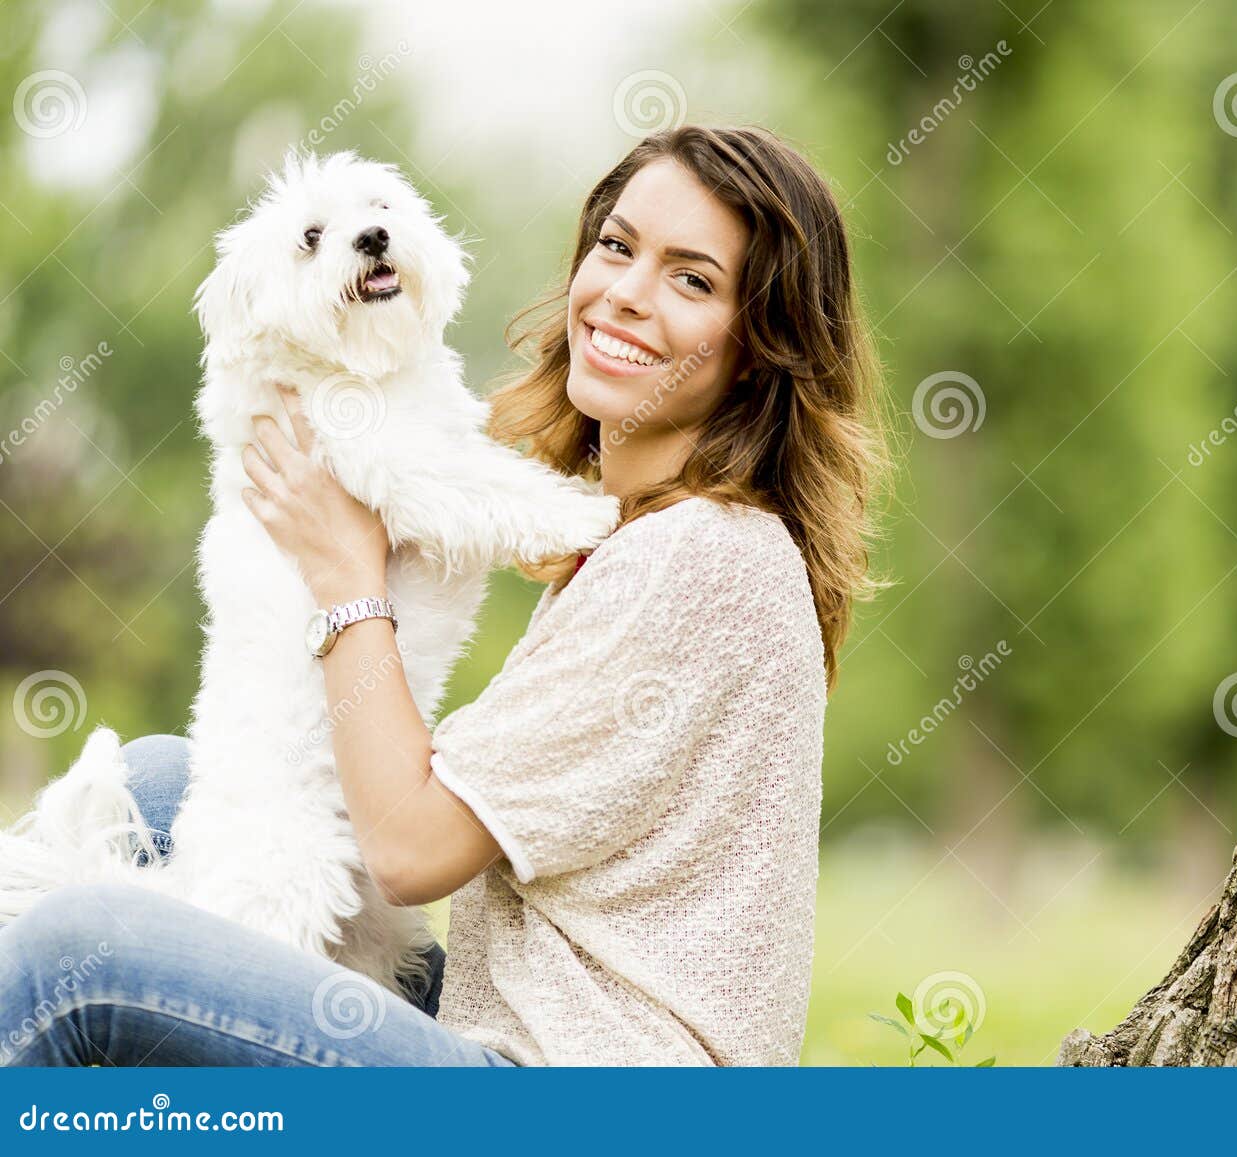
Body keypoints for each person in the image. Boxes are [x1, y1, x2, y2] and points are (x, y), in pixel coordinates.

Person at [0, 124, 892, 1067]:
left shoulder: (696, 557)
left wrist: (346, 573)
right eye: (618, 247)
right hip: (504, 1016)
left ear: (758, 348)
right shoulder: (657, 532)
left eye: (692, 279)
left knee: (73, 956)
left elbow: (413, 849)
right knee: (156, 780)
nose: (625, 294)